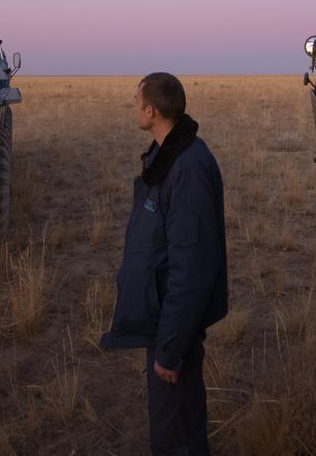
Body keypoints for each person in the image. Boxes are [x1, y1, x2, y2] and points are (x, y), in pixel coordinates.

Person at [101, 73, 227, 455]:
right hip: (164, 318)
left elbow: (191, 268)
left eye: (137, 102)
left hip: (173, 327)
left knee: (176, 435)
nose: (134, 108)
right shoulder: (167, 156)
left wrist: (170, 349)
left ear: (151, 110)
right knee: (173, 422)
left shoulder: (187, 166)